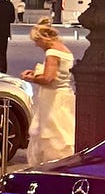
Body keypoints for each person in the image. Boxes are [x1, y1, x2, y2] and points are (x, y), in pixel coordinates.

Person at [21, 16, 76, 165]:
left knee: (52, 134)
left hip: (52, 99)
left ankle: (51, 165)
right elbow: (59, 75)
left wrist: (30, 78)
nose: (36, 45)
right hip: (65, 95)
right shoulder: (65, 50)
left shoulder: (52, 53)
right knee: (65, 130)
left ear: (44, 38)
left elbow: (48, 79)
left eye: (37, 41)